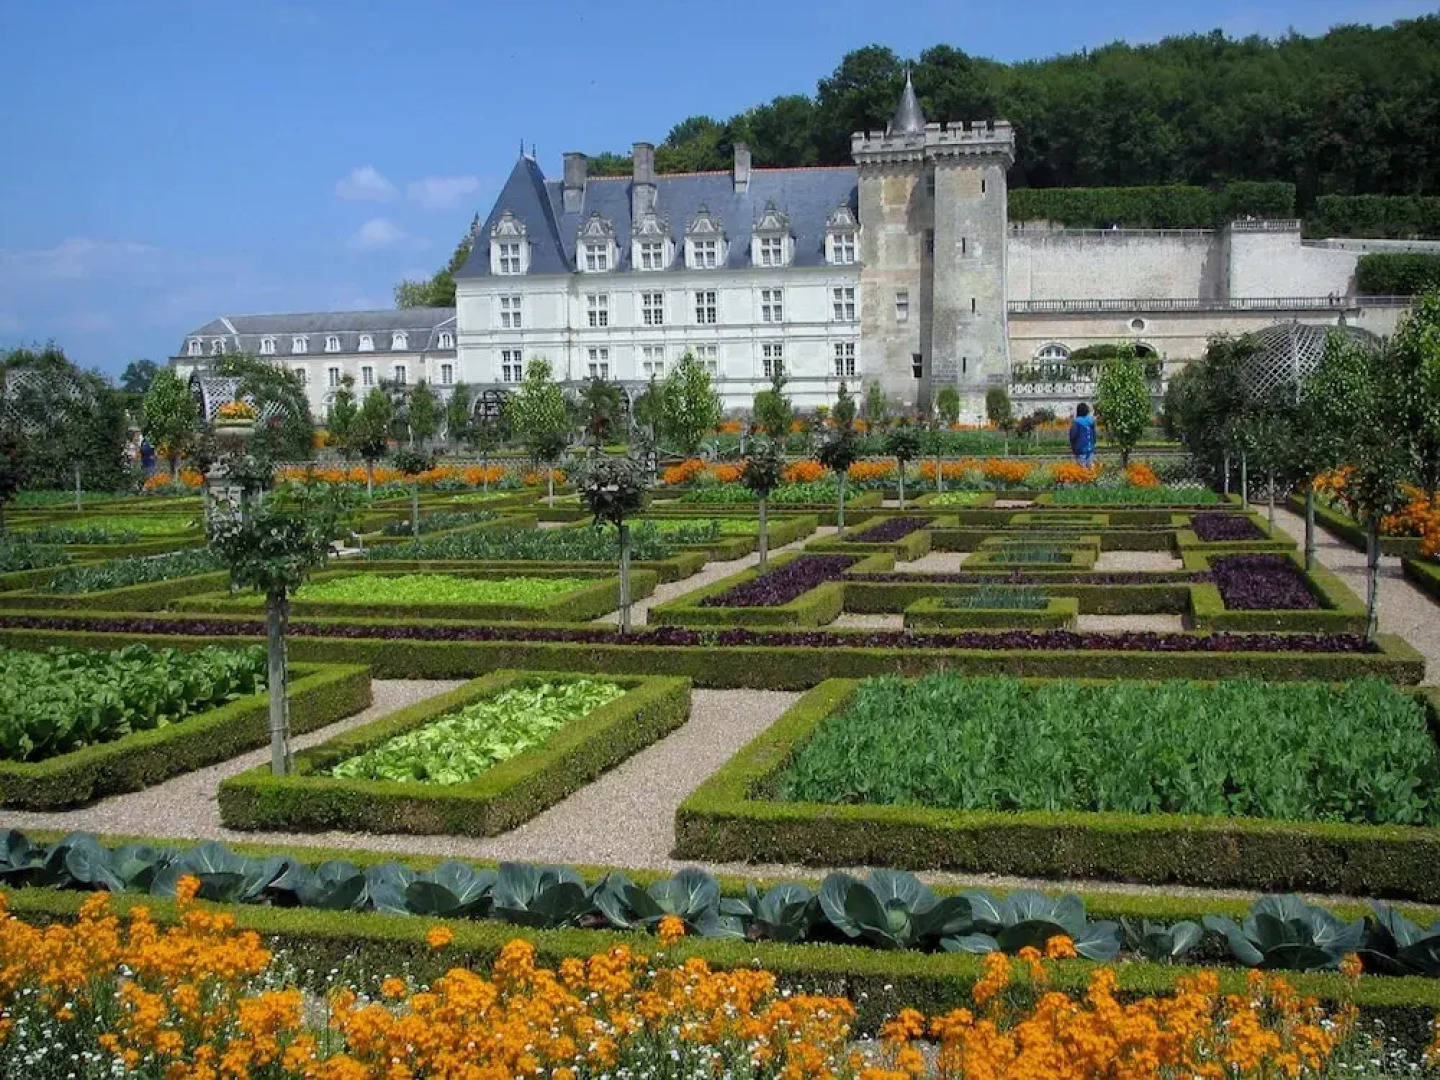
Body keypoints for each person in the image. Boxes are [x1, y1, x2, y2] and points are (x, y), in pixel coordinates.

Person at [1069, 402, 1097, 468]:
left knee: (1082, 471)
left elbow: (1073, 436)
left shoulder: (1076, 422)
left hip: (1080, 450)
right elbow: (1094, 435)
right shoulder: (1091, 421)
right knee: (1091, 470)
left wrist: (1073, 447)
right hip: (1090, 449)